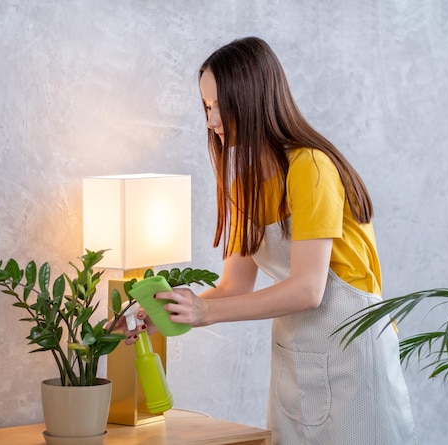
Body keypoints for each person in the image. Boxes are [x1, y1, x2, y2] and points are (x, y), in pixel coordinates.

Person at [119, 36, 417, 445]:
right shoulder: (245, 185)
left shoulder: (311, 167)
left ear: (252, 98)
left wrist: (206, 314)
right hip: (297, 356)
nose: (211, 120)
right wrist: (166, 312)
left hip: (354, 357)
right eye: (206, 107)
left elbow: (308, 290)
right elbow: (233, 287)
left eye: (220, 106)